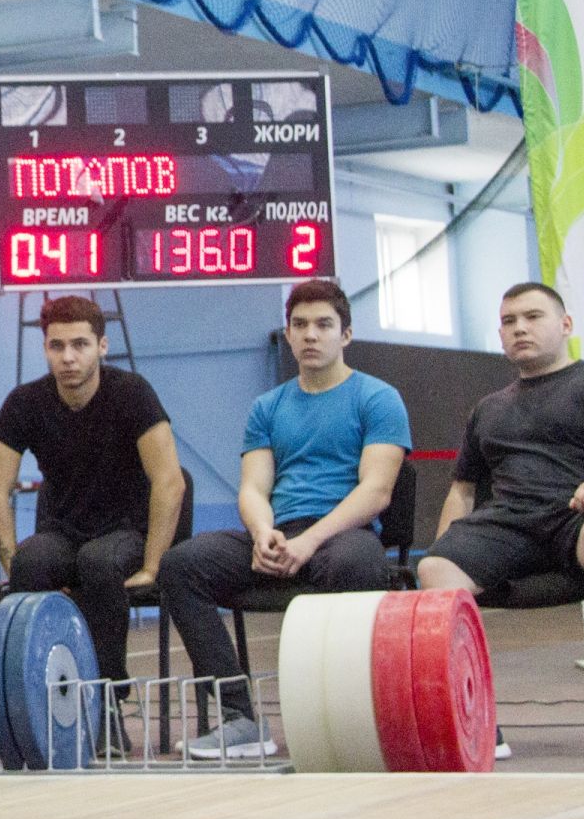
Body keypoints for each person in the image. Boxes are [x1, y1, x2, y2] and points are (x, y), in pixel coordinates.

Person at [157, 278, 409, 760]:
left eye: (323, 325)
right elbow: (253, 487)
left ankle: (346, 715)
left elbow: (376, 492)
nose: (311, 335)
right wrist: (262, 534)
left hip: (341, 536)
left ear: (346, 336)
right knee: (182, 565)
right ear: (288, 335)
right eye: (300, 325)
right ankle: (240, 718)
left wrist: (309, 541)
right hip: (280, 534)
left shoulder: (378, 399)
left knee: (358, 562)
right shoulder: (267, 407)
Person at [417, 281, 584, 758]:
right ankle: (474, 713)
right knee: (434, 568)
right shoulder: (489, 408)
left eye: (532, 316)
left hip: (577, 518)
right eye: (509, 321)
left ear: (566, 325)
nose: (520, 328)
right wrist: (446, 547)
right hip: (510, 528)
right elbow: (462, 491)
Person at [0, 295, 185, 752]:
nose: (68, 357)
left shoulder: (132, 393)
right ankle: (35, 708)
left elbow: (169, 482)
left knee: (98, 563)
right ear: (46, 349)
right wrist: (11, 561)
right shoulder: (25, 402)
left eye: (80, 345)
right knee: (31, 564)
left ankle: (107, 702)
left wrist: (152, 566)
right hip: (63, 531)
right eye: (57, 346)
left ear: (102, 346)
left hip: (127, 531)